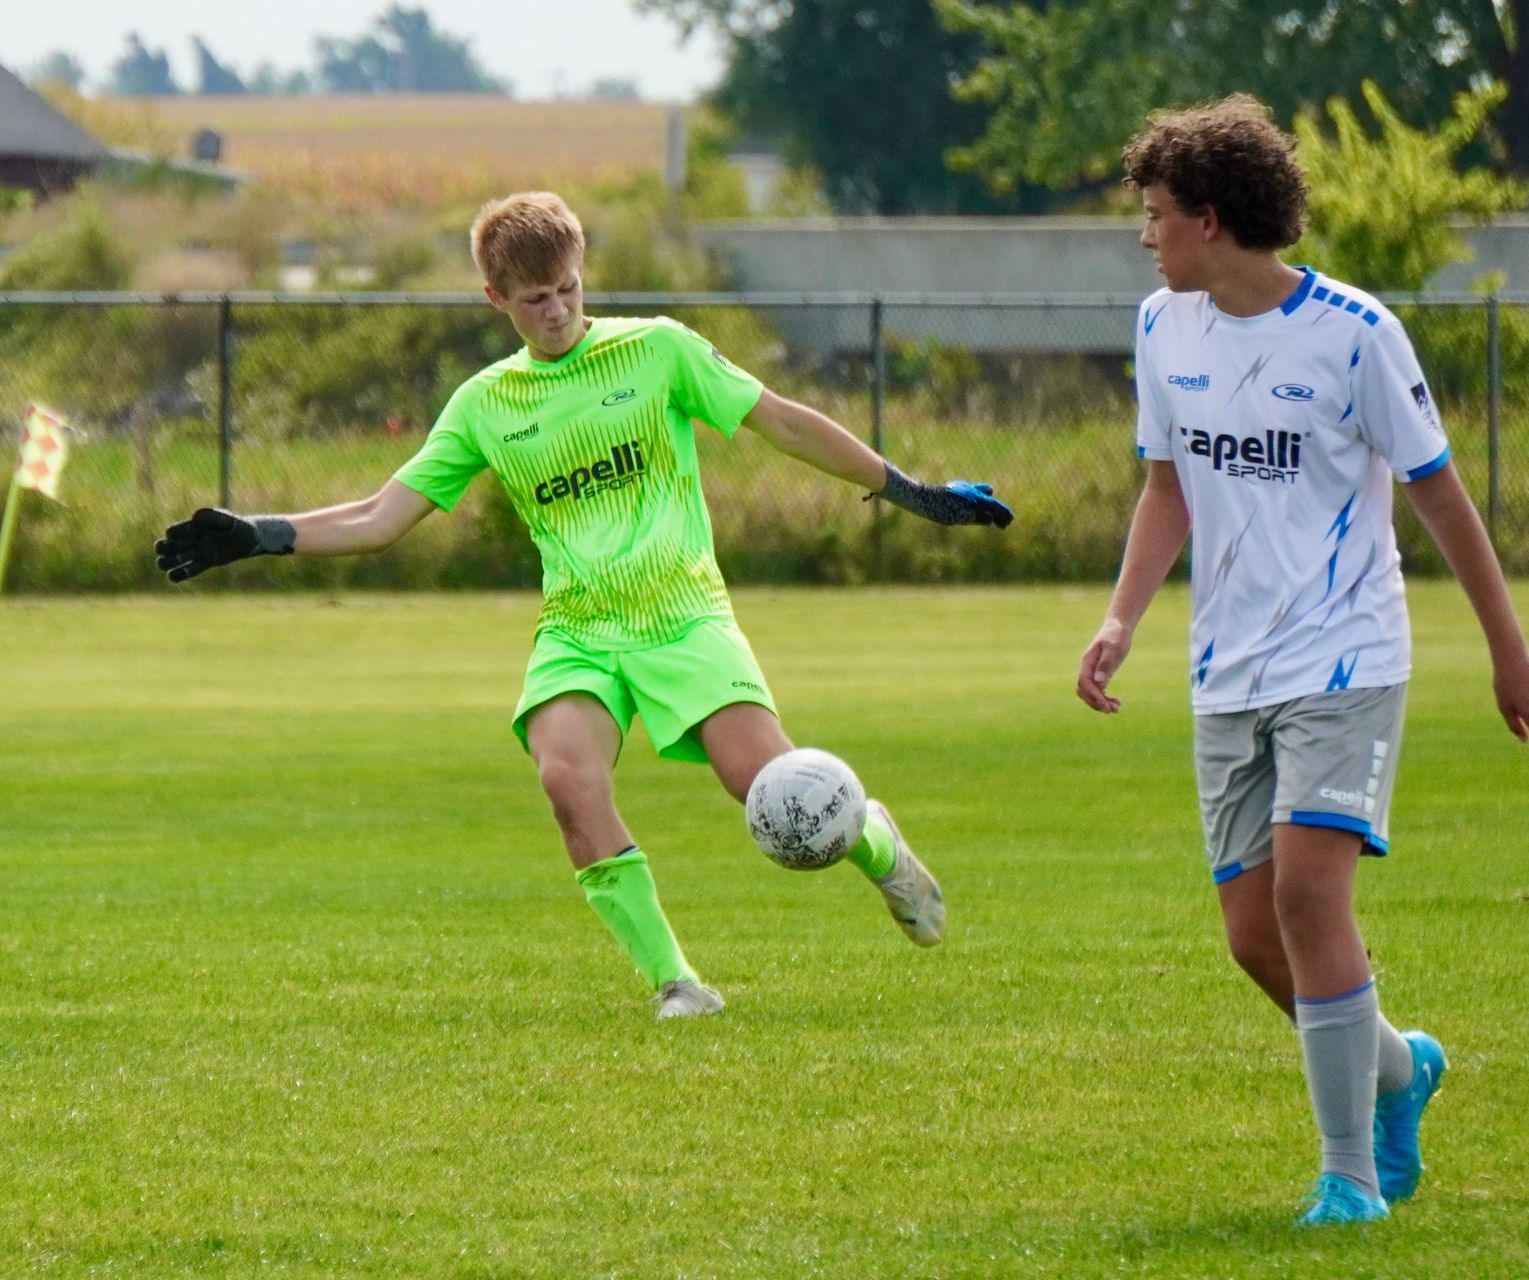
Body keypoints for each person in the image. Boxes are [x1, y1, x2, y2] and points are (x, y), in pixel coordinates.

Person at [156, 191, 1012, 1020]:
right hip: (578, 630)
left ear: (582, 270)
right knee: (567, 781)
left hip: (683, 614)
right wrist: (261, 534)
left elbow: (784, 423)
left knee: (770, 791)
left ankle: (877, 845)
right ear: (497, 300)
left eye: (568, 288)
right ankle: (677, 983)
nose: (558, 311)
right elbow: (381, 518)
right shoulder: (487, 404)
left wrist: (912, 493)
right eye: (535, 300)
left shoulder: (658, 350)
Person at [1074, 97, 1529, 1224]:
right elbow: (1165, 489)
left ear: (1209, 217)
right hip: (1224, 667)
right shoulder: (1162, 326)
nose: (1144, 237)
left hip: (1347, 653)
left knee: (1305, 893)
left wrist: (1510, 654)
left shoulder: (1354, 332)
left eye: (1153, 216)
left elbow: (1440, 497)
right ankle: (1400, 1066)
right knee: (1254, 939)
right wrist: (1120, 620)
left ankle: (1349, 1175)